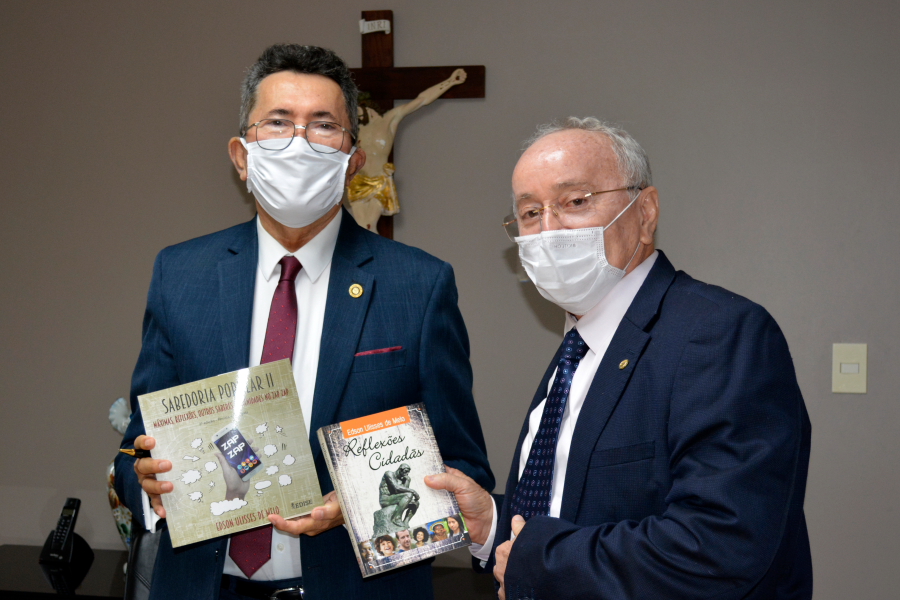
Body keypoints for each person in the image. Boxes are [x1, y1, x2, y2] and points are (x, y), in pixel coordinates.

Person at [113, 44, 493, 600]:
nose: (298, 143)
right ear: (241, 156)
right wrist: (148, 486)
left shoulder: (418, 285)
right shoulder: (181, 274)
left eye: (323, 126)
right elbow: (135, 450)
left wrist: (358, 504)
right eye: (277, 122)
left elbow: (462, 465)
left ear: (353, 160)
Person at [426, 117, 812, 599]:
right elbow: (573, 507)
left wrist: (536, 562)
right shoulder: (577, 349)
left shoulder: (719, 333)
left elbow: (719, 543)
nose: (548, 230)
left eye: (575, 201)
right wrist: (491, 523)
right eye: (530, 212)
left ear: (645, 212)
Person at [346, 69, 467, 231]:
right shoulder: (354, 129)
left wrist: (450, 81)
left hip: (380, 179)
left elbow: (421, 100)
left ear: (368, 107)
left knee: (370, 225)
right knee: (361, 225)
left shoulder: (389, 120)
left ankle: (375, 248)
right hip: (358, 180)